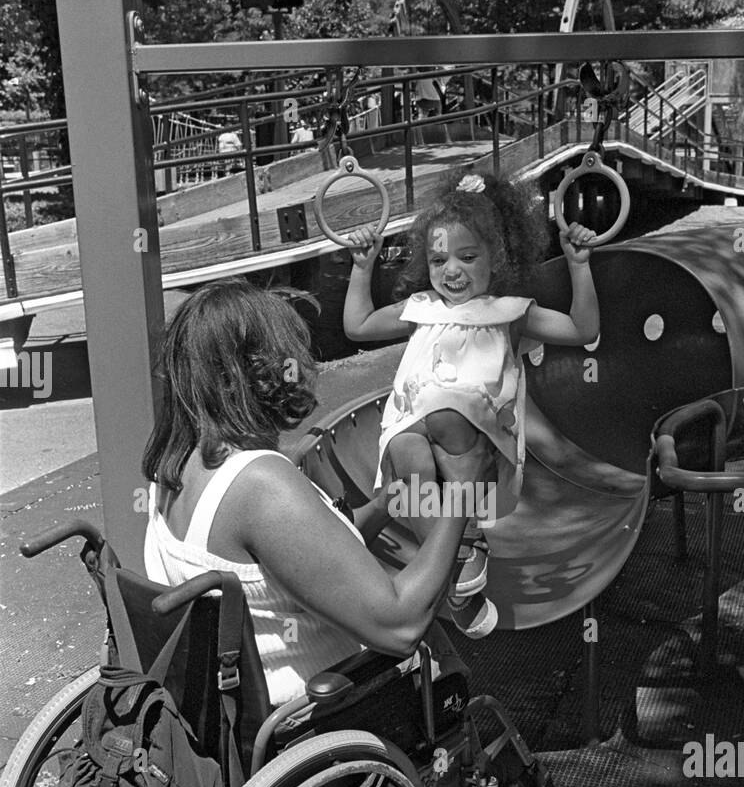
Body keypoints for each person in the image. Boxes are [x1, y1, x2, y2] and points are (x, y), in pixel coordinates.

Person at [142, 278, 492, 707]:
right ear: (254, 373)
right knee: (441, 654)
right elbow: (400, 626)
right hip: (325, 708)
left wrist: (385, 503)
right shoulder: (260, 484)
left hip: (232, 703)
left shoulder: (176, 465)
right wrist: (461, 494)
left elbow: (297, 558)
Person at [342, 172, 600, 638]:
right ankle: (457, 567)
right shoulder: (420, 307)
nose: (451, 271)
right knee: (405, 449)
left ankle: (458, 554)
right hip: (419, 445)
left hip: (477, 447)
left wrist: (578, 265)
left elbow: (582, 331)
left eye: (467, 256)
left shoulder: (510, 312)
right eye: (439, 259)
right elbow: (358, 326)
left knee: (441, 413)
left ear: (496, 256)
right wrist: (363, 268)